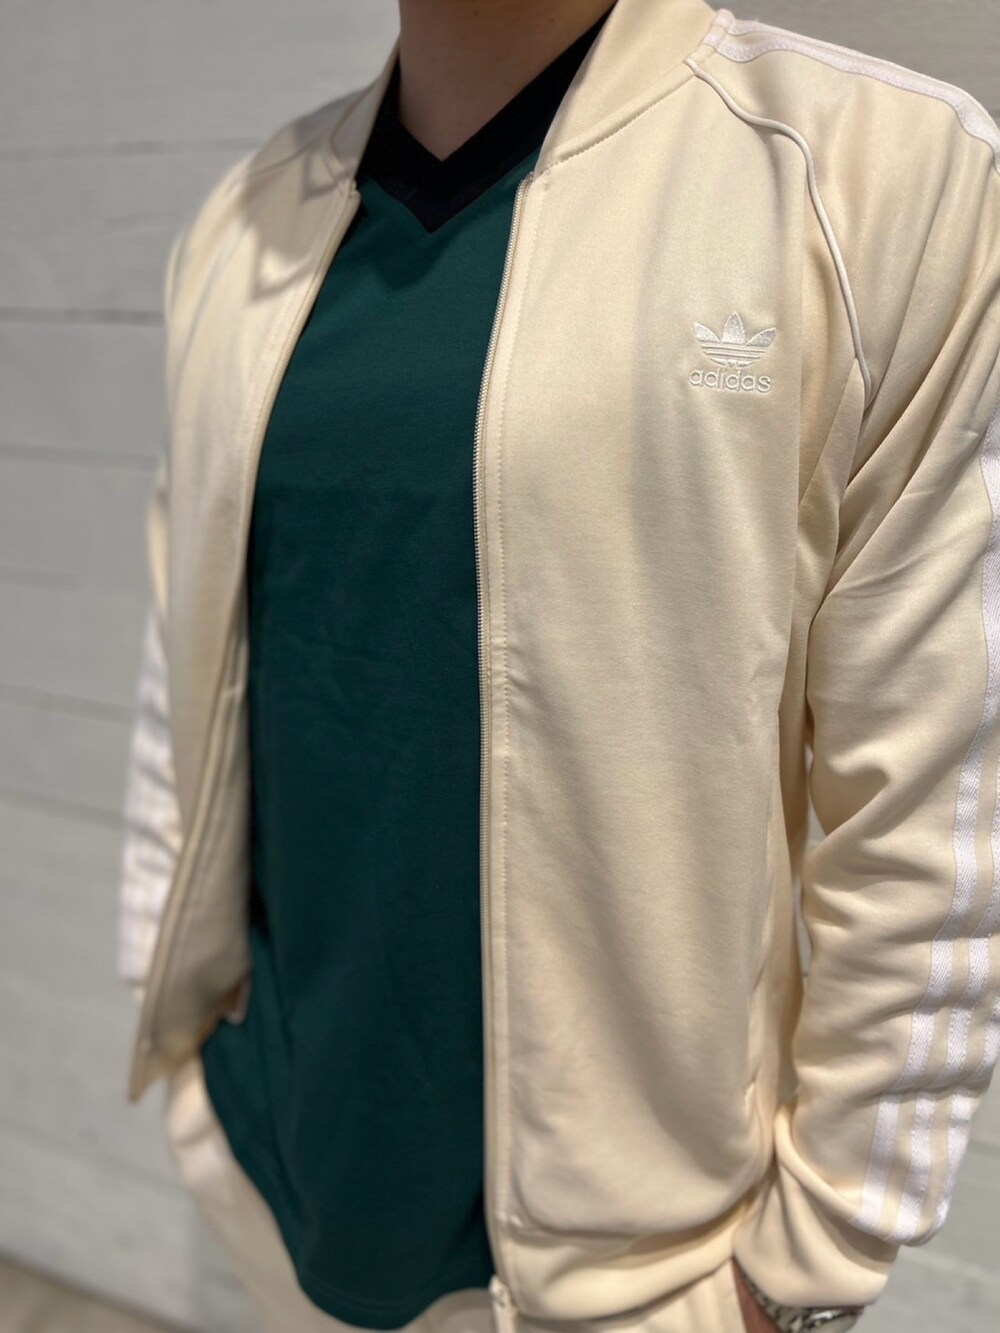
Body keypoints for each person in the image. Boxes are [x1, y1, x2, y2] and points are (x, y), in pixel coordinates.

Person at [116, 1, 1000, 1331]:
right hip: (280, 1179)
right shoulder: (241, 229)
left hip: (642, 1273)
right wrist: (183, 1039)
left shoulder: (876, 175)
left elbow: (934, 802)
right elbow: (184, 674)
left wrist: (804, 1270)